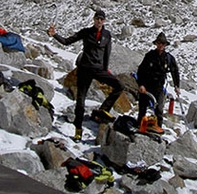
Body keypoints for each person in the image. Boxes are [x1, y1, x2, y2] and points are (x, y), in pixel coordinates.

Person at [47, 9, 123, 142]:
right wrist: (54, 35)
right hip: (85, 69)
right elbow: (67, 41)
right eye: (97, 18)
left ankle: (103, 109)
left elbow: (107, 54)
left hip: (99, 69)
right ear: (93, 19)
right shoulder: (86, 32)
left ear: (104, 21)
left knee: (119, 86)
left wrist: (105, 71)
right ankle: (78, 130)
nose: (99, 21)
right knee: (80, 101)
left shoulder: (107, 35)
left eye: (101, 19)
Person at [136, 32, 180, 133]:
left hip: (159, 87)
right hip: (146, 86)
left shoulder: (168, 58)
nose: (160, 45)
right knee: (142, 108)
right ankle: (139, 127)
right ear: (156, 44)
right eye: (159, 43)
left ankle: (157, 129)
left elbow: (175, 72)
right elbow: (141, 71)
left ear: (165, 45)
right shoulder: (149, 56)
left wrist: (177, 86)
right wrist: (141, 84)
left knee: (159, 109)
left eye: (163, 43)